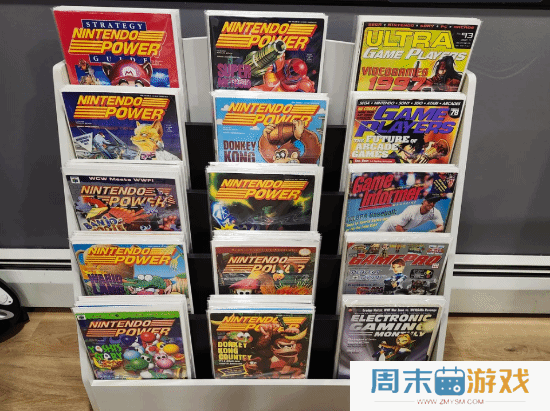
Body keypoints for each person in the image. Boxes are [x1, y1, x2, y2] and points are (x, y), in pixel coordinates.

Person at [378, 194, 444, 232]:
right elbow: (398, 227)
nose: (431, 204)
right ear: (424, 201)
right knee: (376, 243)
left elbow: (441, 227)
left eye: (434, 202)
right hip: (390, 225)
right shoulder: (412, 210)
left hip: (401, 230)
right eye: (429, 201)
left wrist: (433, 231)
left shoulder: (435, 212)